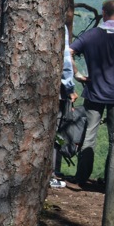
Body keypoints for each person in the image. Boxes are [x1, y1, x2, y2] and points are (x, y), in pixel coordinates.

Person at [70, 0, 114, 187]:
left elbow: (69, 51)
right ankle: (110, 181)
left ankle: (81, 178)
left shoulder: (91, 35)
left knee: (89, 136)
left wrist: (77, 74)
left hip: (94, 92)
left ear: (103, 13)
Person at [51, 27, 78, 189]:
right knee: (52, 133)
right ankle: (50, 173)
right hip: (55, 90)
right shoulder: (59, 24)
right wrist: (69, 88)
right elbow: (66, 62)